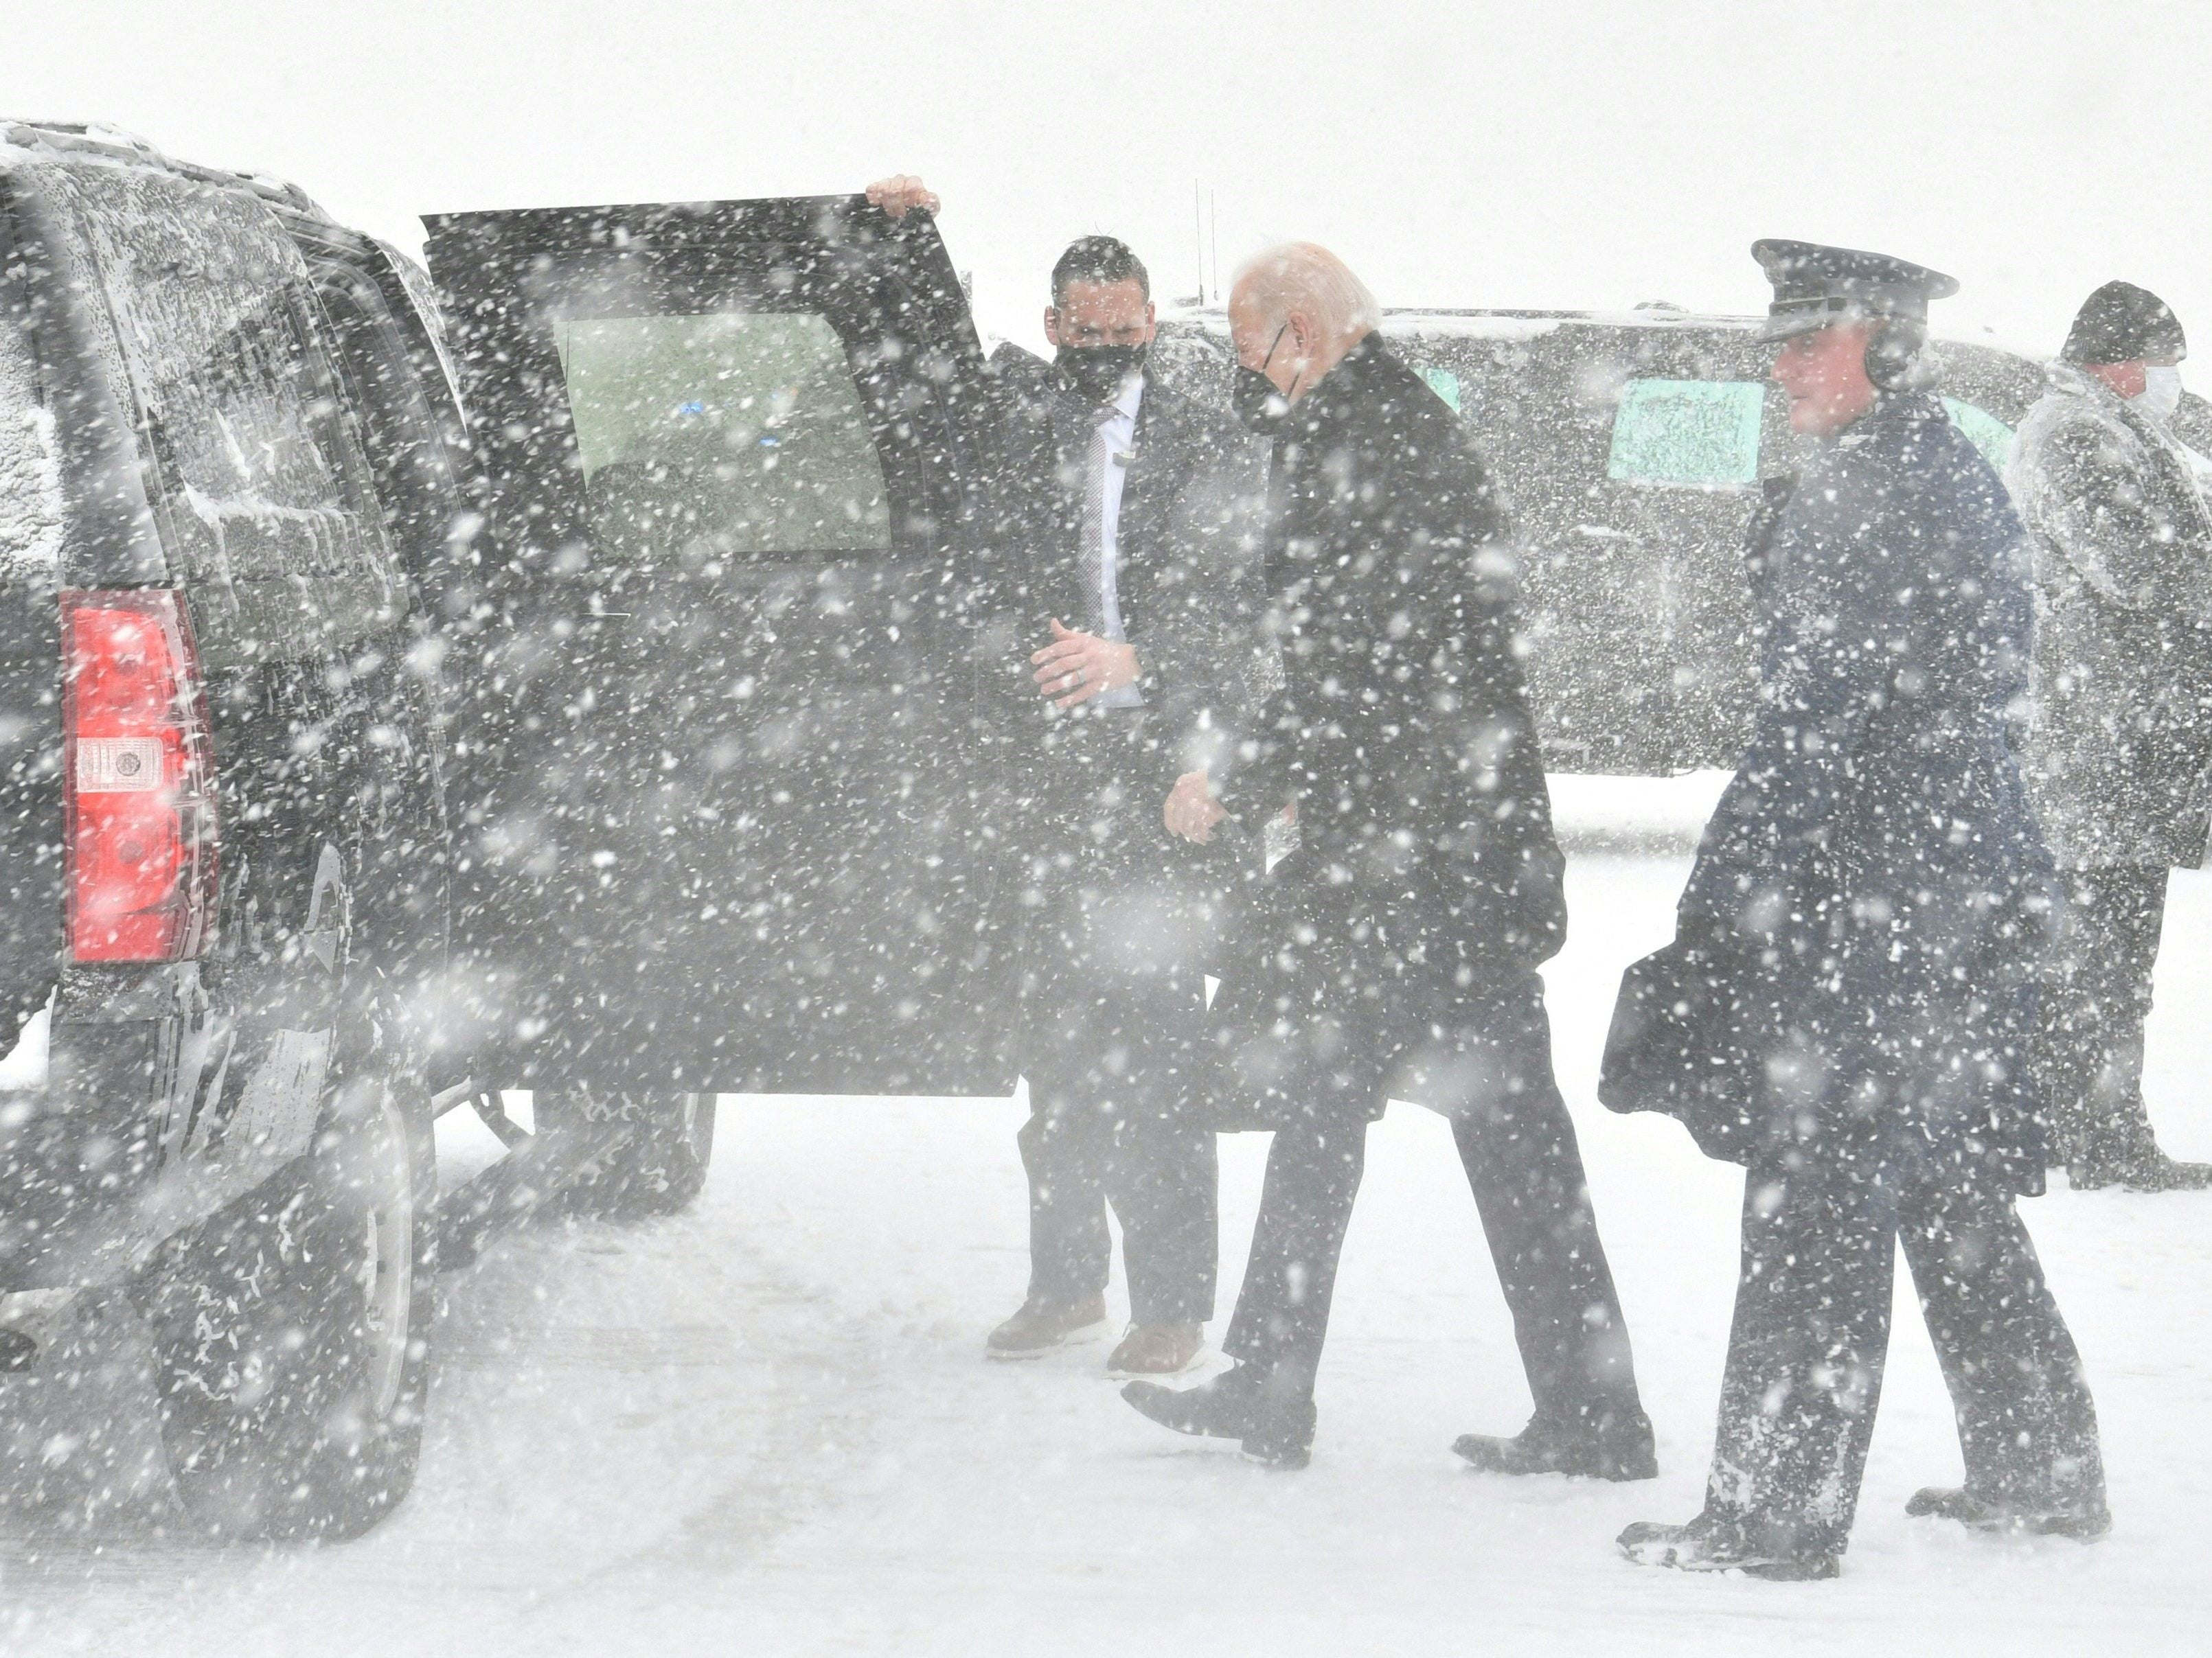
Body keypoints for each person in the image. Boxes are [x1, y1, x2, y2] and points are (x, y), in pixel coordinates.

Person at [1605, 241, 2108, 1580]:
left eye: (1807, 343)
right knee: (1943, 1184)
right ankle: (2042, 1467)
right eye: (1778, 342)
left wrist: (1718, 907)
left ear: (1885, 349)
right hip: (1958, 886)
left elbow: (1807, 733)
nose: (1779, 367)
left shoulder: (1874, 494)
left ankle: (1774, 1508)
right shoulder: (1938, 469)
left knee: (1813, 1203)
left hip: (1882, 899)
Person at [1119, 243, 1652, 1473]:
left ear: (1299, 333)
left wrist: (1234, 783)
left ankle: (1573, 1408)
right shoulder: (1398, 426)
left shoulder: (1360, 446)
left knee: (1471, 1132)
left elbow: (1345, 674)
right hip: (1431, 860)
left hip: (1413, 871)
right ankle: (1303, 1381)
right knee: (1372, 1118)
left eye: (1255, 350)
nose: (1253, 377)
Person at [866, 176, 1269, 1377]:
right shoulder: (1012, 421)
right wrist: (904, 238)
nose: (1102, 349)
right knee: (1052, 1046)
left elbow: (1252, 618)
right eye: (1082, 332)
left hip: (1158, 789)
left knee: (1154, 1051)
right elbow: (907, 371)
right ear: (1053, 328)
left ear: (1153, 323)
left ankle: (1172, 1304)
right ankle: (1064, 1285)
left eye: (1123, 331)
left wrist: (1139, 662)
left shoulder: (1210, 441)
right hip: (1039, 788)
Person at [2012, 281, 2212, 1192]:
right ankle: (2099, 1140)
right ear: (2125, 362)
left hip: (2112, 732)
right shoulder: (2074, 435)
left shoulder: (2104, 427)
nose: (2176, 383)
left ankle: (2075, 1129)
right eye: (2168, 365)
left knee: (2099, 951)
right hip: (2102, 741)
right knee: (2104, 958)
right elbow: (2137, 565)